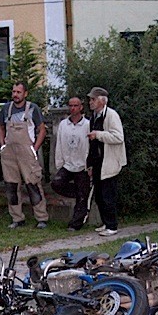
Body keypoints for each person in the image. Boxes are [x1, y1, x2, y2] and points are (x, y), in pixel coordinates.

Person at [0, 81, 49, 229]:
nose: (15, 95)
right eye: (14, 92)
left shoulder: (33, 108)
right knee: (11, 185)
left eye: (18, 92)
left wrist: (35, 148)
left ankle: (41, 218)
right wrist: (2, 145)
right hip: (9, 153)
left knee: (32, 183)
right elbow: (1, 127)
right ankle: (17, 218)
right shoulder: (6, 108)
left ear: (25, 93)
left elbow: (42, 129)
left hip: (27, 151)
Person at [86, 87, 127, 237]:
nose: (90, 102)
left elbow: (118, 137)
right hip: (98, 161)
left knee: (108, 194)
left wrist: (99, 135)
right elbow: (92, 144)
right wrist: (89, 164)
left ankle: (112, 225)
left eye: (93, 99)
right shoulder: (94, 117)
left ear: (102, 101)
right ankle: (106, 223)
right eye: (90, 99)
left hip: (109, 161)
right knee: (99, 195)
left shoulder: (112, 115)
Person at [51, 96, 91, 231]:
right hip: (68, 164)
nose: (73, 108)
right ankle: (79, 193)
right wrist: (59, 163)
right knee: (56, 183)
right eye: (71, 105)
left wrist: (89, 165)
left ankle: (76, 223)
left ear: (81, 107)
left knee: (82, 197)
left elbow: (89, 146)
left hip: (82, 165)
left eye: (76, 105)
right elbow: (59, 144)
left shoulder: (87, 124)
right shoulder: (63, 124)